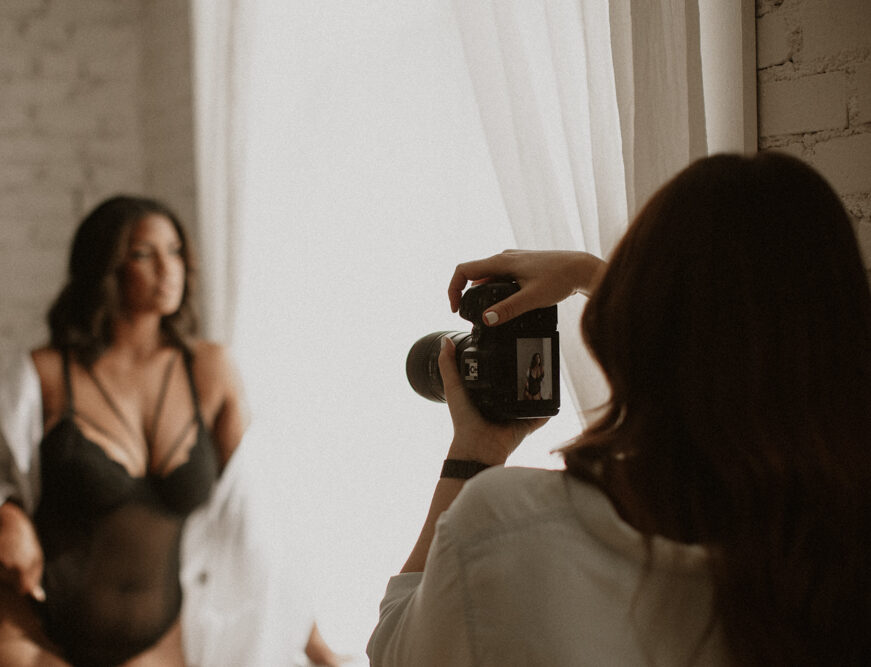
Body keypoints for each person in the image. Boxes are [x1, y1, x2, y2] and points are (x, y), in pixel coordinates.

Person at [367, 152, 871, 666]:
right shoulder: (839, 550)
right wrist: (596, 277)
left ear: (628, 329)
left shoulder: (511, 527)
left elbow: (393, 653)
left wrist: (476, 453)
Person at [0, 196, 341, 666]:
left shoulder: (209, 370)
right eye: (144, 253)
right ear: (105, 265)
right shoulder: (45, 373)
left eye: (176, 251)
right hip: (35, 639)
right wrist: (8, 513)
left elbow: (252, 519)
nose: (168, 268)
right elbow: (4, 477)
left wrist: (316, 647)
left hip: (163, 648)